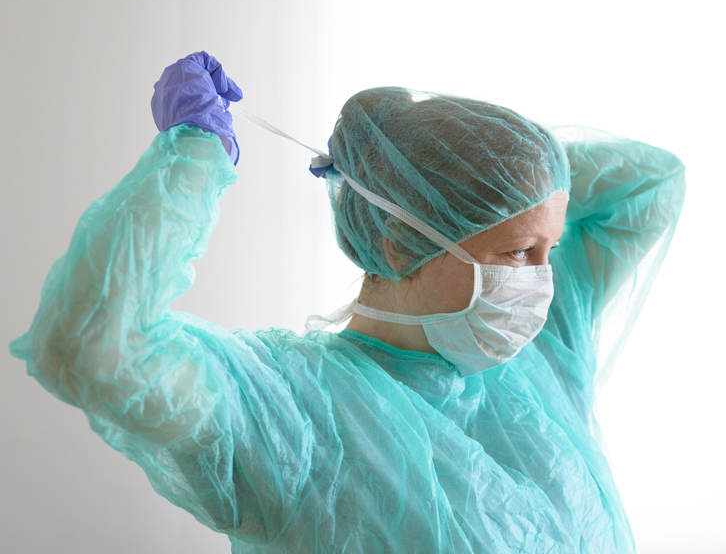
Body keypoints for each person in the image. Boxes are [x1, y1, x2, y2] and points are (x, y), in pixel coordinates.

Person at [10, 53, 685, 553]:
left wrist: (495, 179)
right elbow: (92, 346)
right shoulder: (289, 413)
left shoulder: (540, 355)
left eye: (549, 248)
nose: (544, 280)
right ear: (398, 244)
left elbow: (651, 185)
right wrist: (192, 161)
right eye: (516, 254)